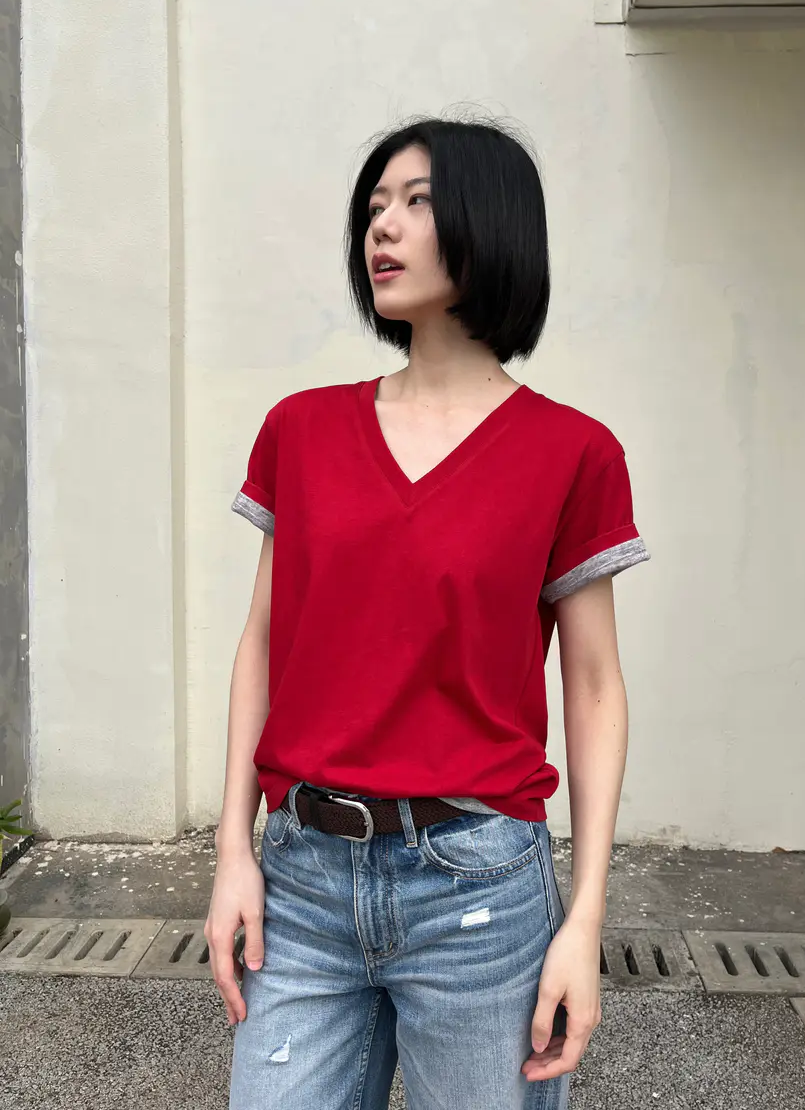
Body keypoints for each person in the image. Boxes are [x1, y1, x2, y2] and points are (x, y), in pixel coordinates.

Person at [207, 115, 650, 1110]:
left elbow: (593, 686)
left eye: (416, 202)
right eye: (375, 206)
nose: (383, 226)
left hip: (478, 891)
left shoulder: (573, 454)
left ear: (490, 222)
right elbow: (262, 645)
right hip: (302, 882)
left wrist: (584, 917)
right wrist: (234, 851)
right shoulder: (301, 430)